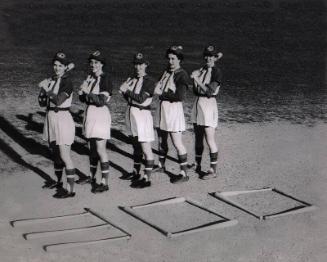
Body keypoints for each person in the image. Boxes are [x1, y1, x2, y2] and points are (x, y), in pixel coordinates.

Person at [38, 52, 76, 198]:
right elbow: (42, 103)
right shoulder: (53, 80)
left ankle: (70, 189)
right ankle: (59, 181)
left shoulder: (67, 82)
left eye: (60, 65)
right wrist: (42, 90)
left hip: (63, 118)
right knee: (55, 153)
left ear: (65, 67)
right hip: (50, 118)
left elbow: (58, 101)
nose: (57, 68)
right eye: (55, 65)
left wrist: (46, 89)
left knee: (65, 155)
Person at [78, 50, 113, 193]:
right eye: (91, 62)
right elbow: (84, 99)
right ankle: (92, 177)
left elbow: (100, 101)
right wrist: (81, 92)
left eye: (96, 62)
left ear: (102, 64)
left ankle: (104, 182)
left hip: (100, 116)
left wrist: (87, 92)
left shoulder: (105, 79)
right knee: (92, 148)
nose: (93, 65)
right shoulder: (91, 78)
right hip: (90, 114)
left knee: (100, 149)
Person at [154, 46, 190, 184]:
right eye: (169, 58)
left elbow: (180, 96)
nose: (170, 61)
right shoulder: (166, 72)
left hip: (174, 110)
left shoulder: (182, 75)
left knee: (177, 142)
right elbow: (158, 86)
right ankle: (161, 166)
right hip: (163, 108)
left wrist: (161, 93)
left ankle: (183, 173)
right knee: (162, 140)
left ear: (179, 59)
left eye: (173, 59)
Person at [119, 53, 155, 188]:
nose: (138, 67)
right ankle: (136, 172)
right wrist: (124, 92)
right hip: (132, 114)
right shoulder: (133, 79)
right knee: (136, 146)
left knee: (146, 148)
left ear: (146, 65)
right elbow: (130, 100)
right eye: (136, 64)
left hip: (143, 115)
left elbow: (141, 99)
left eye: (141, 64)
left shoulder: (150, 81)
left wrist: (126, 90)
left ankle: (147, 178)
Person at [190, 45, 223, 179]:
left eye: (212, 56)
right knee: (198, 138)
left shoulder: (217, 72)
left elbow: (209, 92)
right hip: (198, 104)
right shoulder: (203, 70)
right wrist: (195, 79)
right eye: (207, 56)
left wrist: (196, 79)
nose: (209, 58)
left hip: (209, 105)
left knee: (209, 139)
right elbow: (195, 91)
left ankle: (212, 170)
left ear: (215, 57)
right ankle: (197, 164)